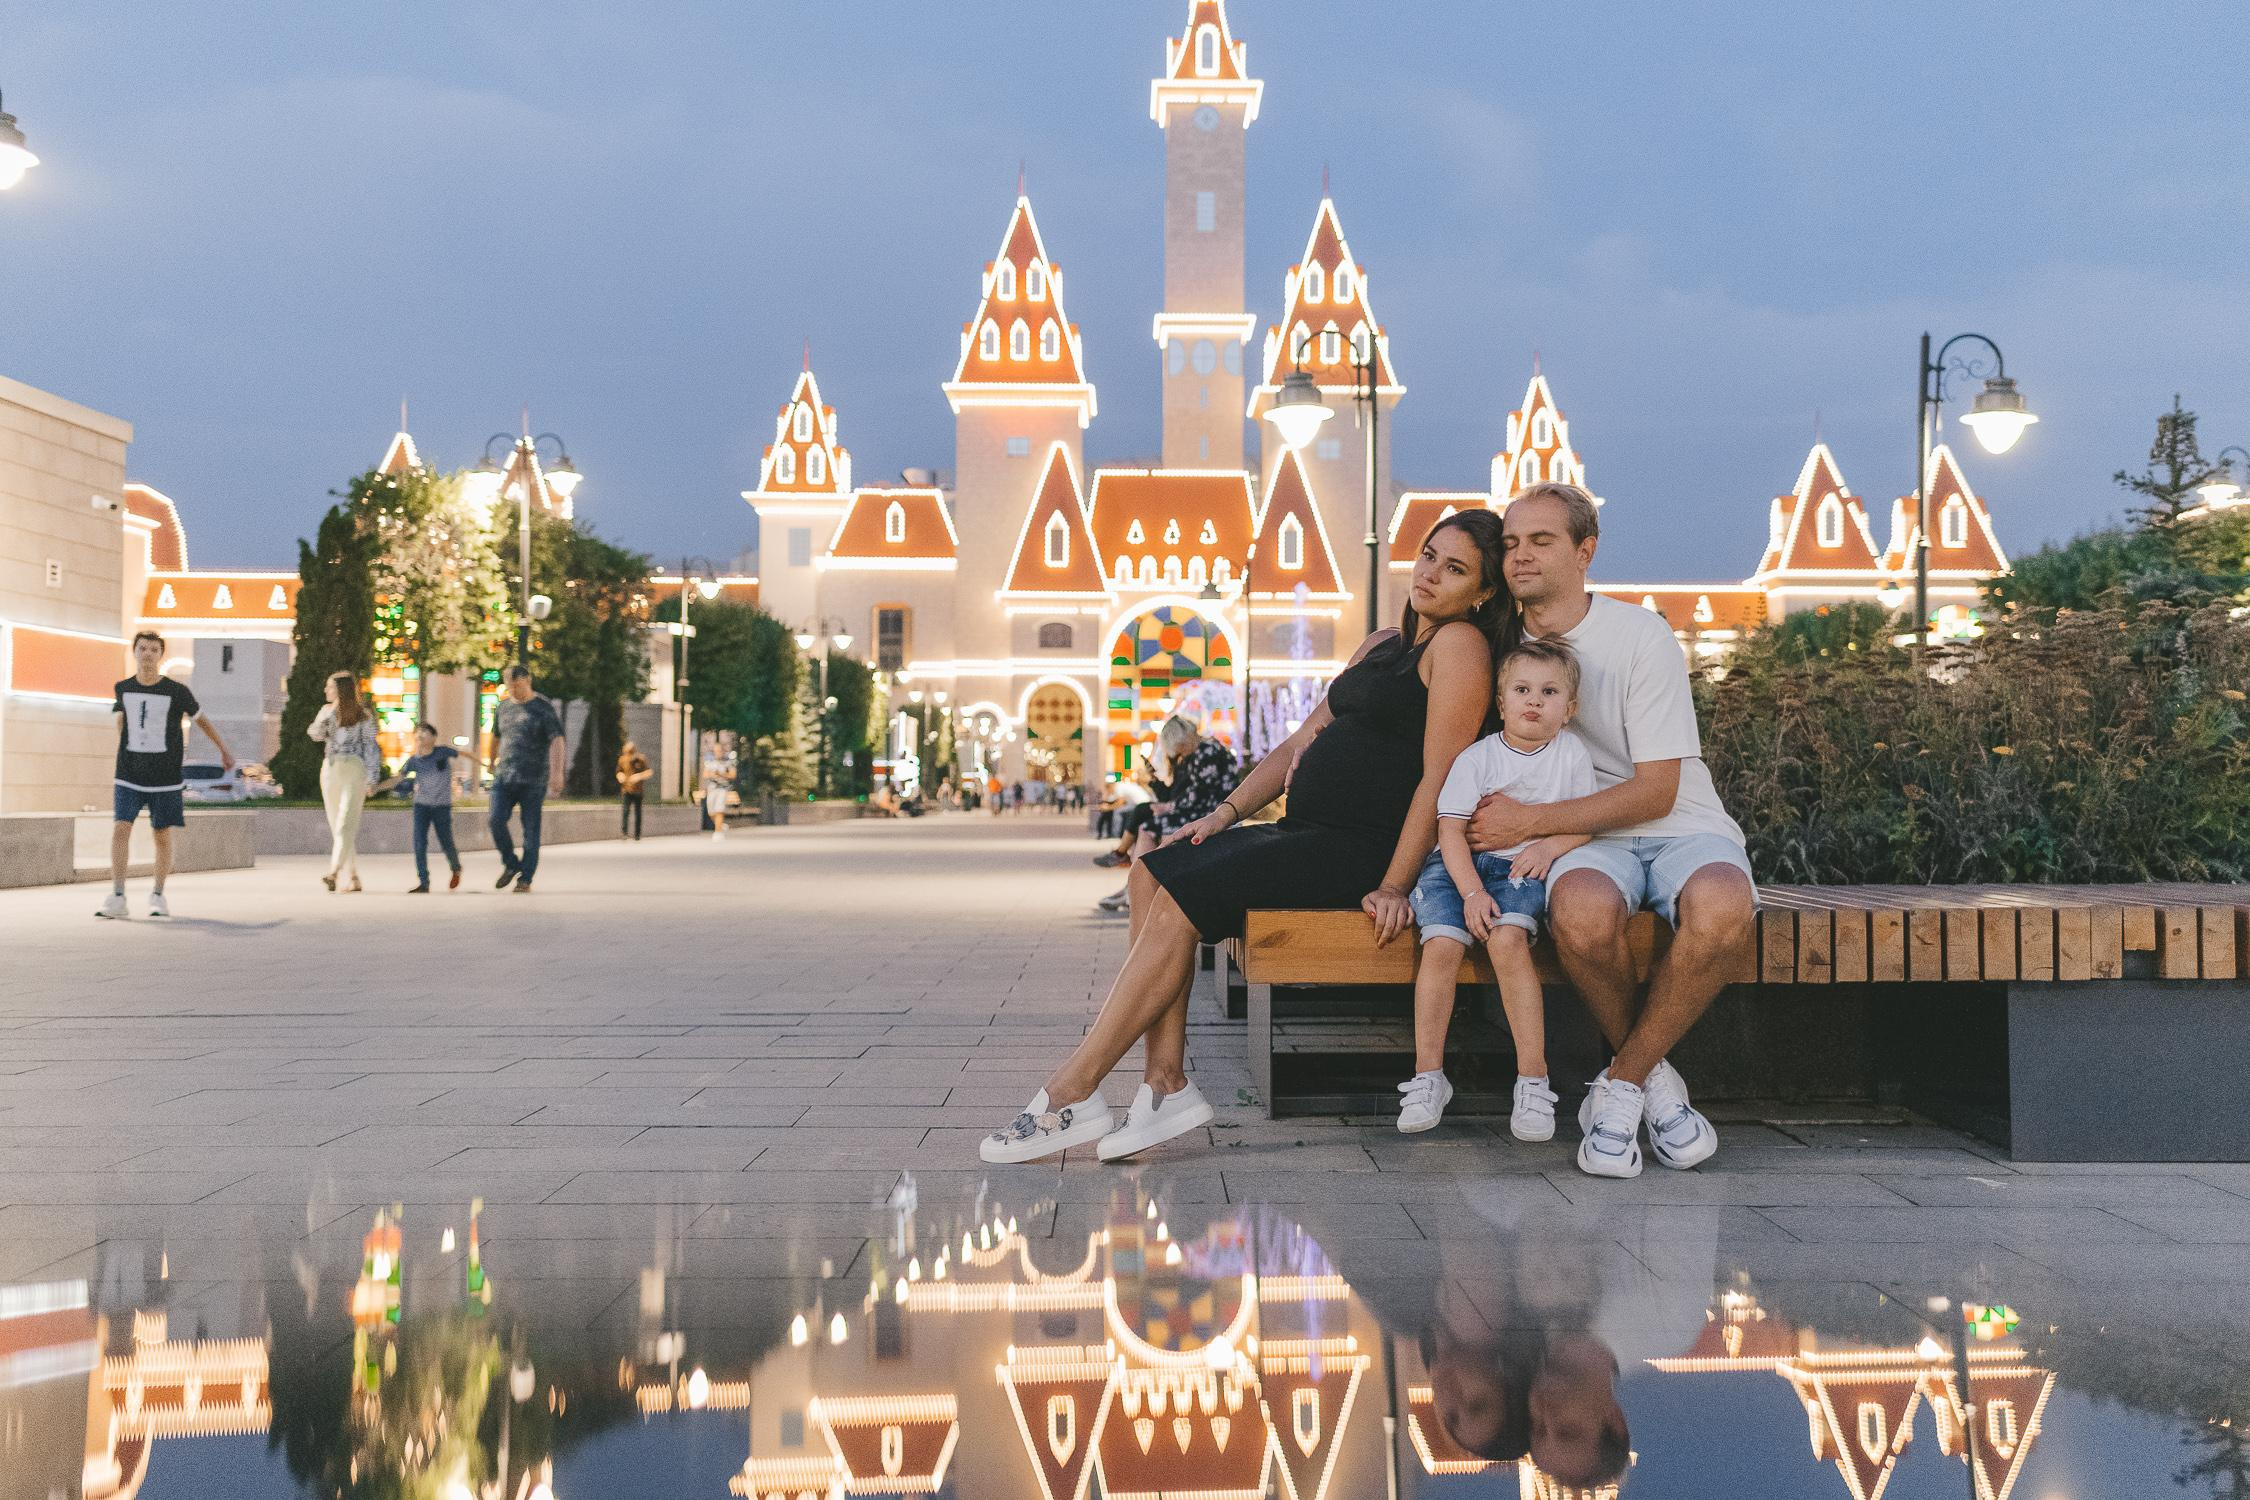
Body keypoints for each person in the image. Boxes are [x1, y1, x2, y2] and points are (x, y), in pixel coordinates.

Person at [981, 509, 1515, 1164]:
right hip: (1305, 832)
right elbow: (1297, 742)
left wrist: (1394, 882)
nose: (1431, 573)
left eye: (1455, 568)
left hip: (1359, 847)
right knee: (1154, 871)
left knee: (1180, 899)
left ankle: (1073, 1089)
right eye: (1430, 555)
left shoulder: (1460, 646)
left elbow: (1440, 778)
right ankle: (1164, 1082)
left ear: (1482, 592)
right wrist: (1226, 813)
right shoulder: (1382, 643)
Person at [1465, 483, 1757, 1179]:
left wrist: (1533, 821)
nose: (1520, 556)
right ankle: (1657, 1088)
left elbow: (1657, 789)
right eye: (1509, 543)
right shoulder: (1501, 646)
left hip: (1678, 821)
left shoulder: (1638, 634)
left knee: (1722, 905)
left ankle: (1621, 1086)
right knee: (1582, 915)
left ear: (1585, 550)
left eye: (1541, 541)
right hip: (1585, 841)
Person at [1399, 639, 1596, 1138]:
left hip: (1518, 868)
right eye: (1522, 689)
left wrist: (1550, 849)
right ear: (1501, 702)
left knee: (1508, 942)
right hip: (1456, 867)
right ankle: (1428, 1076)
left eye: (1549, 692)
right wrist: (1470, 894)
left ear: (1568, 710)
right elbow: (1449, 830)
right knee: (1441, 945)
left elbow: (1586, 822)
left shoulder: (1570, 755)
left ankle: (1533, 1081)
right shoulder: (1477, 758)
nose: (1534, 700)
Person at [98, 631, 234, 919]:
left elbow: (202, 721)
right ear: (134, 652)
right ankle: (118, 895)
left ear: (161, 655)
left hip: (165, 776)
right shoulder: (122, 688)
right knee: (121, 827)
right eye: (143, 648)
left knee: (161, 834)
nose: (147, 654)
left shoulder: (177, 691)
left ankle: (158, 895)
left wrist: (223, 750)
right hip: (128, 773)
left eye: (154, 649)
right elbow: (121, 722)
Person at [1094, 716, 1234, 914]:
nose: (1180, 755)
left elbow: (1200, 794)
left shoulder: (1206, 752)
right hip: (1208, 810)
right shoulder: (1204, 750)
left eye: (1180, 749)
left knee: (1148, 827)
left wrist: (1171, 807)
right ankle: (1135, 889)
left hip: (1210, 814)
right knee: (1146, 824)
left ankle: (1137, 890)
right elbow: (1196, 792)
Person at [488, 664, 566, 893]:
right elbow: (495, 736)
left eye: (518, 685)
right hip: (505, 776)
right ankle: (511, 864)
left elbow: (558, 740)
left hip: (534, 779)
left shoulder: (542, 707)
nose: (514, 690)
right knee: (495, 819)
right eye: (510, 686)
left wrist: (557, 773)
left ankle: (526, 878)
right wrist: (491, 760)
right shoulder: (503, 707)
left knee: (531, 830)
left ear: (528, 681)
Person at [308, 671, 384, 893]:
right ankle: (353, 876)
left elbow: (371, 748)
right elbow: (313, 733)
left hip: (354, 769)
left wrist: (372, 778)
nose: (325, 691)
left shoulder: (364, 716)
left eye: (329, 687)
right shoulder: (326, 712)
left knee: (345, 823)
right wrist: (326, 716)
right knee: (337, 825)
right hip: (331, 769)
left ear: (341, 689)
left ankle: (333, 872)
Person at [375, 722, 462, 892]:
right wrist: (377, 787)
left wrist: (484, 765)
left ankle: (455, 867)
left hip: (441, 807)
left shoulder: (442, 752)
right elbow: (398, 778)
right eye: (418, 732)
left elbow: (464, 754)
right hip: (421, 806)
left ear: (434, 737)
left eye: (425, 731)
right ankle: (424, 882)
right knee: (419, 843)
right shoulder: (413, 761)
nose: (420, 735)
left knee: (446, 842)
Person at [700, 732, 735, 840]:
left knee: (719, 809)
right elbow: (705, 774)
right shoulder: (709, 762)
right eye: (716, 751)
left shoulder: (728, 761)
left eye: (719, 750)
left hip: (722, 788)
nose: (718, 752)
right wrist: (712, 774)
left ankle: (718, 832)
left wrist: (721, 774)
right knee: (711, 811)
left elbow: (733, 775)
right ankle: (720, 825)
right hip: (711, 788)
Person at [616, 740, 652, 840]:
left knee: (638, 812)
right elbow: (618, 772)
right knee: (626, 811)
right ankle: (624, 832)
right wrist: (620, 776)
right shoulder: (622, 760)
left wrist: (639, 776)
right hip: (626, 789)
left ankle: (637, 834)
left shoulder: (641, 759)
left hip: (638, 790)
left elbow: (649, 772)